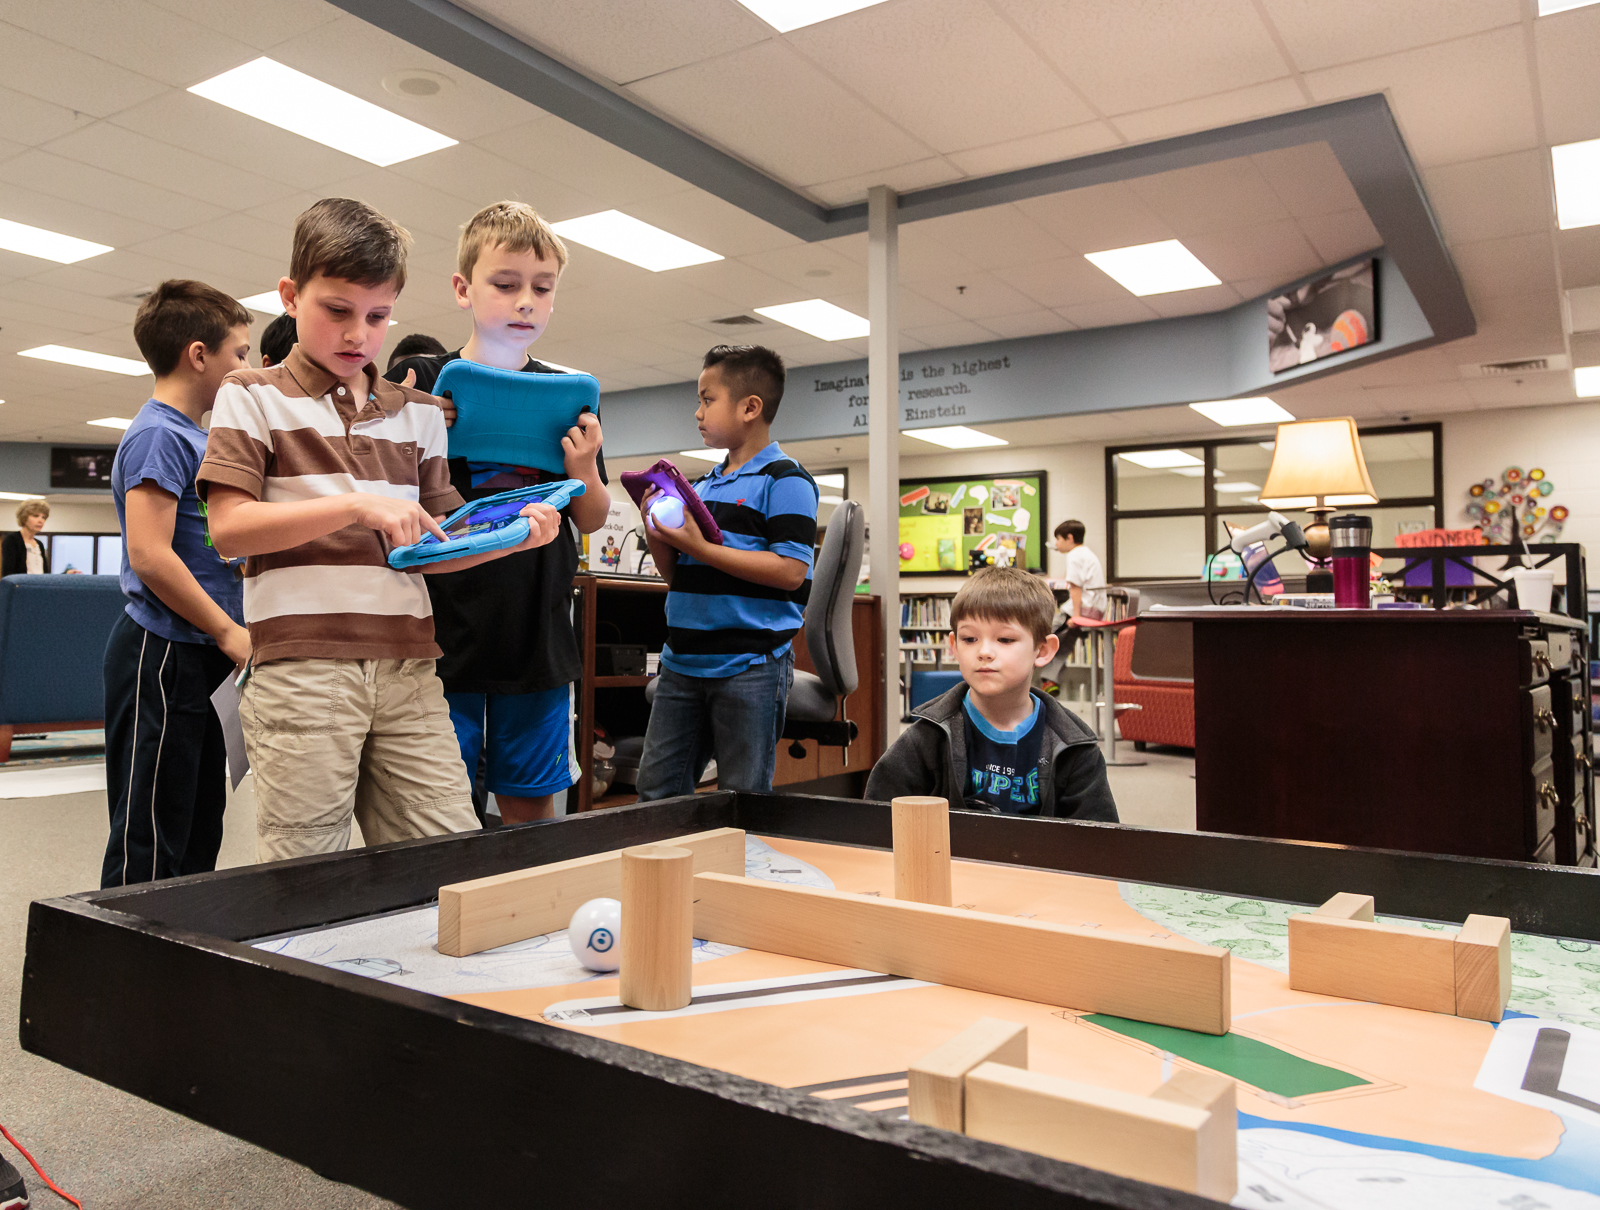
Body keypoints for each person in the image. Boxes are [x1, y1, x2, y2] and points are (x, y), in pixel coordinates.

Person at [197, 198, 564, 861]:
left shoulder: (421, 414)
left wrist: (513, 538)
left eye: (376, 316)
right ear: (290, 296)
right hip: (302, 669)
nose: (358, 335)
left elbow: (429, 548)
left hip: (409, 669)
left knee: (447, 861)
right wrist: (356, 505)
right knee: (308, 874)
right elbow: (229, 530)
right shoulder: (249, 395)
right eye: (336, 310)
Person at [387, 201, 610, 825]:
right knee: (435, 819)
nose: (525, 302)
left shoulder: (568, 395)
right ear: (464, 288)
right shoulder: (423, 380)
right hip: (441, 639)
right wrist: (419, 421)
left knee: (533, 816)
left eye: (542, 288)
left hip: (534, 637)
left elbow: (591, 516)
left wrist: (584, 467)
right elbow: (381, 490)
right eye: (506, 285)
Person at [101, 280, 255, 888]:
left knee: (196, 824)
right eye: (239, 354)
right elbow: (150, 555)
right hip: (162, 651)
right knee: (151, 831)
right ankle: (132, 972)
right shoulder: (159, 434)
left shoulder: (199, 437)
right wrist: (227, 630)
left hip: (201, 653)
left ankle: (184, 962)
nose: (245, 368)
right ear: (199, 354)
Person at [636, 344, 818, 800]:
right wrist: (659, 534)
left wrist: (699, 545)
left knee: (742, 801)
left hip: (750, 667)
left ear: (750, 408)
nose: (697, 412)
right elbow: (681, 576)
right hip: (681, 662)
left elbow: (792, 571)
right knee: (654, 796)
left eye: (707, 399)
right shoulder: (701, 486)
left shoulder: (787, 481)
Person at [865, 567, 1117, 819]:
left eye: (1005, 640)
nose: (984, 652)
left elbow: (1098, 845)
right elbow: (877, 821)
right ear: (953, 646)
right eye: (969, 639)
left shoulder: (1074, 746)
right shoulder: (928, 736)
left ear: (1042, 650)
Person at [1053, 519, 1107, 621]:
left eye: (1058, 539)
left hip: (1085, 608)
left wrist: (1076, 617)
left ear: (1070, 538)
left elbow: (1075, 587)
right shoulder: (1086, 553)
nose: (1056, 544)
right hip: (1096, 608)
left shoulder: (1074, 555)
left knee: (1046, 631)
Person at [1, 501, 51, 576]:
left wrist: (65, 574)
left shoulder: (39, 544)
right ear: (24, 518)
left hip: (40, 586)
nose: (40, 521)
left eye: (43, 517)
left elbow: (45, 574)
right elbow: (8, 573)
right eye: (35, 516)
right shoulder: (12, 540)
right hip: (23, 586)